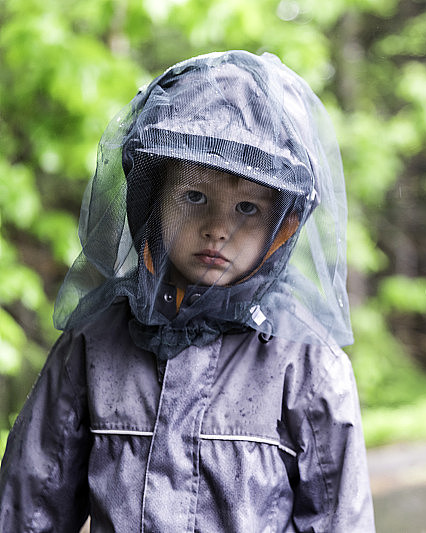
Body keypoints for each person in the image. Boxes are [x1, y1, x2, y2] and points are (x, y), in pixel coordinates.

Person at [0, 50, 374, 532]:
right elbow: (30, 507)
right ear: (151, 204)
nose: (218, 228)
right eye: (194, 197)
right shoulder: (94, 343)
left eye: (247, 208)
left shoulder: (306, 362)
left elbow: (339, 519)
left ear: (282, 228)